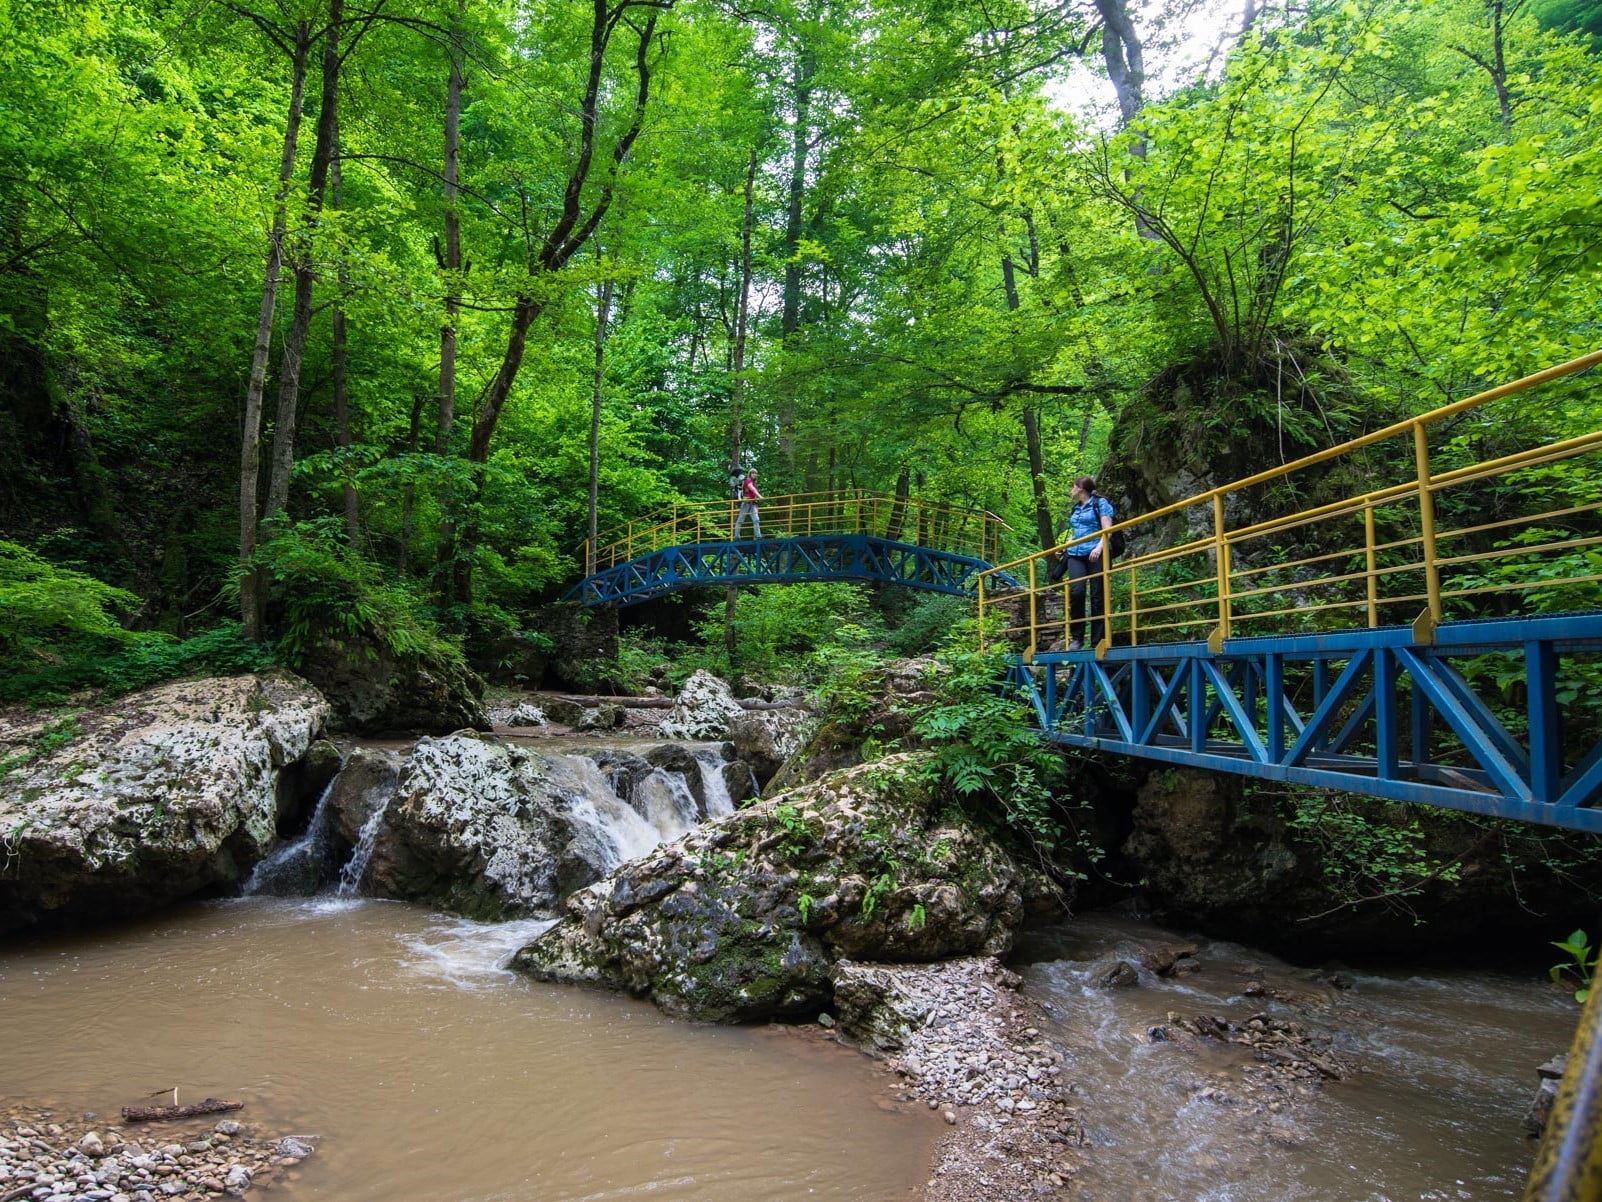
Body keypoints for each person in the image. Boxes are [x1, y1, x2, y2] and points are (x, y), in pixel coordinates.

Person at [1060, 475, 1114, 652]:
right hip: (1075, 553)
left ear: (1080, 488)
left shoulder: (1100, 504)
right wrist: (1065, 547)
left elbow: (1108, 530)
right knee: (1076, 591)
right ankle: (1077, 638)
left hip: (1095, 552)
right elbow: (1077, 533)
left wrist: (1099, 548)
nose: (1071, 491)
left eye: (1072, 487)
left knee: (1098, 594)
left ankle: (1098, 640)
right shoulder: (1076, 509)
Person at [733, 467, 763, 539]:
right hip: (746, 503)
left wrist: (756, 501)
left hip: (753, 503)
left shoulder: (754, 483)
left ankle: (758, 536)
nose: (754, 474)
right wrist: (760, 496)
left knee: (756, 519)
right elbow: (752, 489)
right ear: (750, 474)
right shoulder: (748, 481)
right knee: (740, 520)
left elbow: (754, 493)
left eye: (755, 473)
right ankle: (737, 536)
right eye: (753, 473)